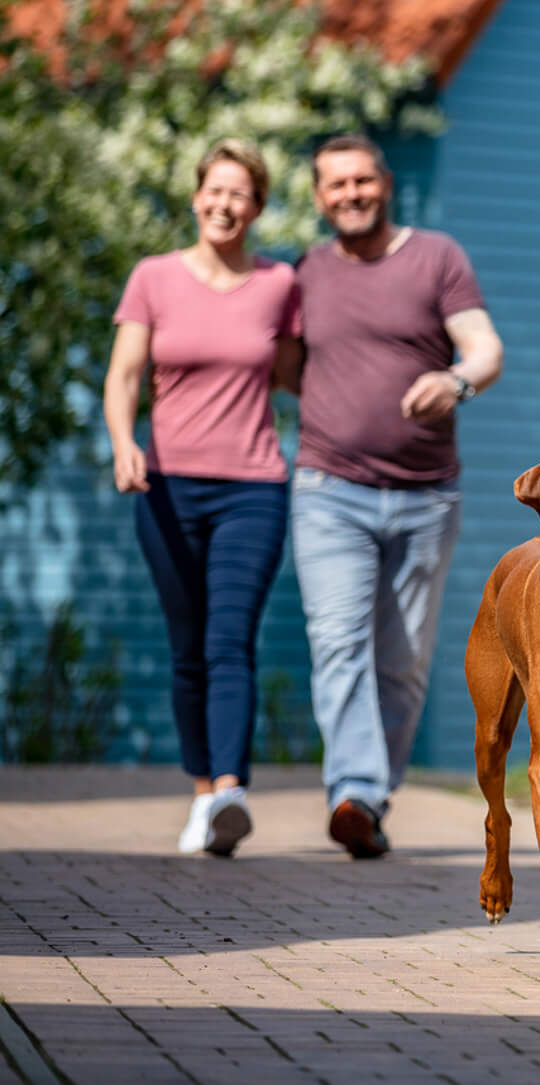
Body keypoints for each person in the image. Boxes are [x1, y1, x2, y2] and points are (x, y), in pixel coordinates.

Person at [289, 133, 503, 859]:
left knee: (404, 659)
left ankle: (370, 795)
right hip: (329, 491)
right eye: (334, 185)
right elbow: (285, 366)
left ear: (384, 183)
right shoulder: (307, 273)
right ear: (319, 198)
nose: (349, 194)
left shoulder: (435, 256)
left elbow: (484, 348)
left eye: (361, 180)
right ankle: (355, 791)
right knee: (339, 642)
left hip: (424, 499)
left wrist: (455, 382)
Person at [104, 139, 303, 857]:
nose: (224, 204)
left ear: (256, 206)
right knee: (188, 647)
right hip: (166, 486)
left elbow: (296, 374)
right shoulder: (153, 278)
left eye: (240, 193)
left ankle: (229, 791)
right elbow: (125, 374)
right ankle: (201, 795)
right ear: (196, 197)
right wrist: (125, 443)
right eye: (214, 191)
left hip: (254, 486)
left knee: (229, 639)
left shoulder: (280, 284)